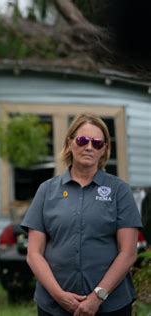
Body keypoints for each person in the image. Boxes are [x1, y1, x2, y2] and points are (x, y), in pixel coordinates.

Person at [21, 113, 143, 316]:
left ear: (104, 149)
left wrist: (97, 297)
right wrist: (59, 295)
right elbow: (34, 254)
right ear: (69, 143)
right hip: (54, 307)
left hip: (110, 306)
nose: (89, 147)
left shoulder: (120, 191)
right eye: (82, 140)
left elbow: (128, 252)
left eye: (97, 143)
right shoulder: (46, 190)